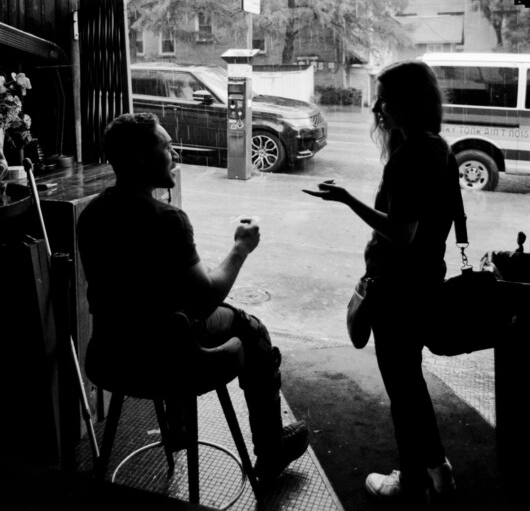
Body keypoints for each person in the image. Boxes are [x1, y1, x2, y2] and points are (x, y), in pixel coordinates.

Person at [77, 112, 308, 485]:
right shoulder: (167, 219)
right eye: (166, 146)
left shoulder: (91, 216)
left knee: (168, 316)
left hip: (112, 355)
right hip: (167, 360)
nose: (175, 153)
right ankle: (270, 447)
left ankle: (179, 425)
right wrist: (241, 248)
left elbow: (135, 289)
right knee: (248, 326)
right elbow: (205, 300)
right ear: (139, 156)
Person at [303, 60, 457, 507]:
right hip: (424, 280)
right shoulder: (437, 148)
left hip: (398, 289)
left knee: (403, 389)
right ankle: (437, 473)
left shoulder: (411, 156)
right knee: (409, 384)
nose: (376, 108)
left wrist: (346, 198)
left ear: (406, 103)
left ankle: (414, 482)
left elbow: (403, 231)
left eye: (385, 98)